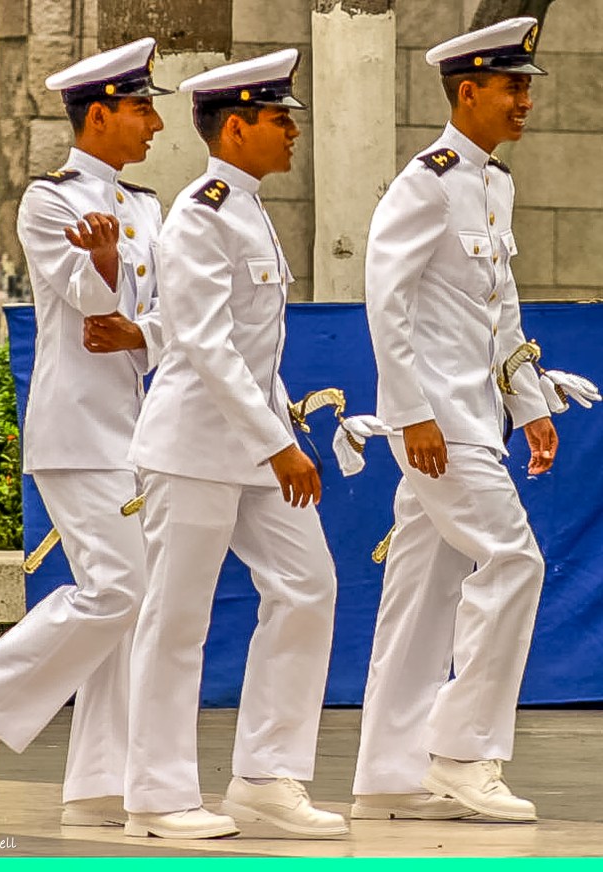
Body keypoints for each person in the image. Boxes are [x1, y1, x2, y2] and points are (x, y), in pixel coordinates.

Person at [0, 37, 169, 826]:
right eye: (141, 109)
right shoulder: (50, 200)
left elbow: (164, 317)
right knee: (118, 590)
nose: (154, 127)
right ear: (98, 113)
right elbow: (91, 311)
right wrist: (104, 270)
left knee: (131, 604)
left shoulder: (147, 208)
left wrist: (140, 322)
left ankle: (101, 784)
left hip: (133, 429)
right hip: (76, 431)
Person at [121, 49, 348, 840]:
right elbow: (207, 348)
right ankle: (155, 794)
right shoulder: (202, 212)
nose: (292, 133)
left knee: (308, 586)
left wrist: (279, 433)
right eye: (281, 120)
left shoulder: (248, 209)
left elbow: (256, 354)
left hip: (253, 445)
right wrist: (277, 443)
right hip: (194, 448)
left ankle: (266, 776)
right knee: (176, 620)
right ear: (239, 126)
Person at [351, 18, 559, 823]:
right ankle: (463, 752)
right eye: (512, 86)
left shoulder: (493, 185)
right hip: (439, 424)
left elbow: (500, 312)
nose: (525, 100)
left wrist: (531, 404)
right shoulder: (424, 181)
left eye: (528, 85)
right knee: (515, 561)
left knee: (421, 591)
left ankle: (387, 774)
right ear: (467, 90)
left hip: (479, 417)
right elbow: (386, 301)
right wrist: (410, 415)